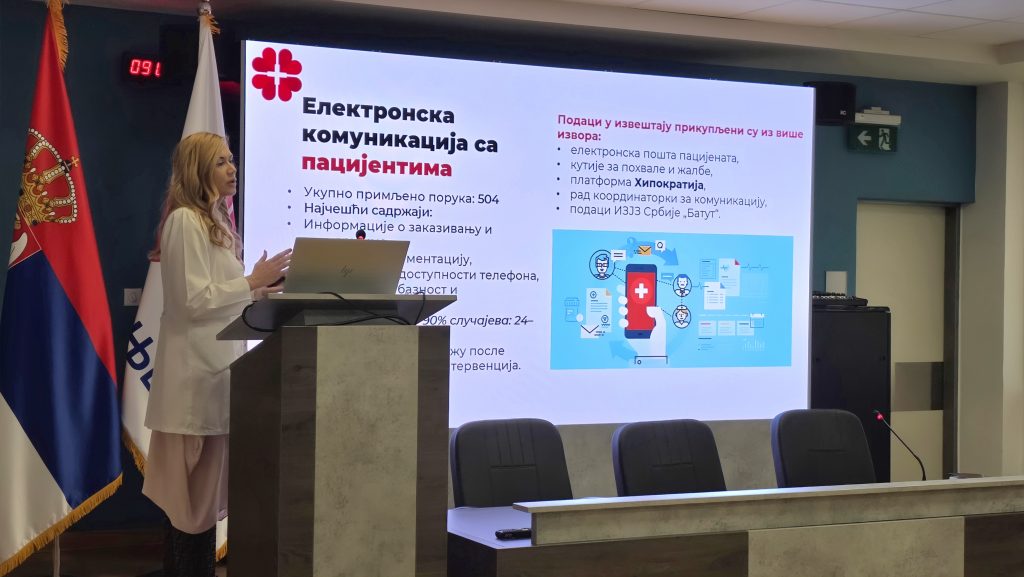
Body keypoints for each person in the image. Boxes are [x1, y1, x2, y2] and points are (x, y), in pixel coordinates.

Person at [142, 132, 290, 577]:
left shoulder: (216, 223)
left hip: (217, 379)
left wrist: (259, 292)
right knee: (190, 509)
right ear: (198, 170)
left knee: (199, 509)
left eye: (232, 160)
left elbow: (217, 299)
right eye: (222, 162)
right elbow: (191, 301)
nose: (233, 169)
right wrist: (250, 282)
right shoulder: (184, 221)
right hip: (192, 386)